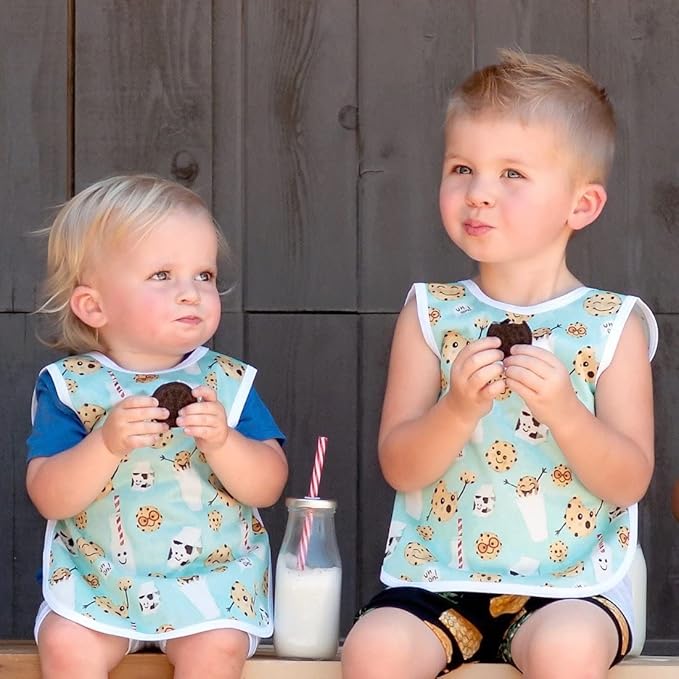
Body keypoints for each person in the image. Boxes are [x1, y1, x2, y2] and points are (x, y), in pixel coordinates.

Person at [342, 50, 657, 679]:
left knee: (567, 651)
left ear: (581, 205)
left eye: (512, 173)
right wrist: (457, 409)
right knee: (372, 649)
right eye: (462, 168)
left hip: (574, 586)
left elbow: (629, 479)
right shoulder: (432, 313)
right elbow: (401, 465)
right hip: (442, 580)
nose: (478, 192)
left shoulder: (611, 324)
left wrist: (565, 411)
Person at [26, 174, 288, 679]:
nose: (191, 293)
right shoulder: (73, 387)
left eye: (204, 275)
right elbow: (50, 496)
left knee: (217, 649)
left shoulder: (226, 383)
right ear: (94, 306)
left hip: (210, 582)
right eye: (162, 275)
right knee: (65, 643)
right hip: (98, 582)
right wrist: (105, 443)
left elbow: (268, 486)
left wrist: (224, 442)